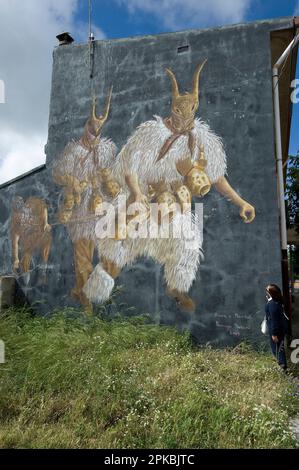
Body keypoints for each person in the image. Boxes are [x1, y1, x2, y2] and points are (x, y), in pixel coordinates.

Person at [265, 284, 288, 371]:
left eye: (267, 290)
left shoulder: (272, 304)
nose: (266, 292)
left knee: (277, 350)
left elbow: (274, 320)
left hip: (276, 331)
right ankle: (282, 366)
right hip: (281, 329)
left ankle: (283, 368)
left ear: (270, 293)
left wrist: (274, 334)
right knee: (279, 348)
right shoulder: (277, 301)